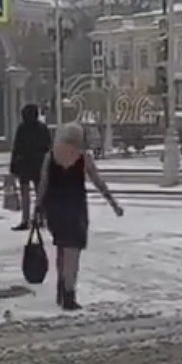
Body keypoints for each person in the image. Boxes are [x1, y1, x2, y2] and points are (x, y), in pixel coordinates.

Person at [36, 122, 123, 310]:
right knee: (72, 254)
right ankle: (69, 294)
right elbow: (98, 182)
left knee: (61, 249)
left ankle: (60, 289)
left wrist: (38, 207)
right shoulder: (83, 158)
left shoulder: (50, 157)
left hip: (55, 210)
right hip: (75, 209)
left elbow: (43, 184)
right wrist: (113, 203)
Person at [9, 103, 51, 231]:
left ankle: (25, 219)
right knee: (40, 193)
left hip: (25, 165)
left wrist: (13, 165)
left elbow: (17, 148)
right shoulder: (42, 128)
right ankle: (41, 218)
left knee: (25, 194)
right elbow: (48, 147)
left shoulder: (22, 128)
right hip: (39, 165)